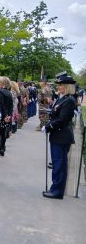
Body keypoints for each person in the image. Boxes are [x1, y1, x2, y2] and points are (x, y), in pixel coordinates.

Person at [42, 71, 77, 199]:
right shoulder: (63, 99)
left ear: (67, 86)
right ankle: (54, 188)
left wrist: (49, 126)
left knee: (59, 165)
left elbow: (62, 119)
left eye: (61, 85)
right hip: (58, 135)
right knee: (57, 164)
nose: (58, 87)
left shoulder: (69, 100)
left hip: (62, 136)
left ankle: (57, 191)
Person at [0, 76, 13, 157]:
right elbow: (11, 106)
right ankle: (2, 148)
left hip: (2, 115)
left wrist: (3, 116)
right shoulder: (9, 93)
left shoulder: (0, 92)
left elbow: (1, 105)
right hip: (7, 116)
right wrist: (9, 116)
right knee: (3, 133)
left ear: (2, 84)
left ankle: (0, 148)